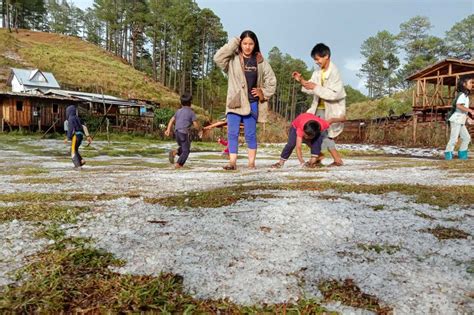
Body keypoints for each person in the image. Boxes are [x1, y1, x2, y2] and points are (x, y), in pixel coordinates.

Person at [214, 30, 277, 170]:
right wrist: (234, 42)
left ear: (255, 45)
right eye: (244, 43)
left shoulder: (260, 61)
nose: (248, 47)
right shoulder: (232, 59)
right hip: (235, 102)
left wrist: (263, 92)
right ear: (240, 43)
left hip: (252, 103)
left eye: (251, 43)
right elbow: (217, 58)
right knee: (232, 133)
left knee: (250, 134)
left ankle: (251, 163)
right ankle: (232, 162)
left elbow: (272, 81)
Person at [292, 43, 346, 166]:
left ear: (326, 56)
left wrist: (316, 87)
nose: (316, 62)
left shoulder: (334, 72)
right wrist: (301, 80)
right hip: (317, 108)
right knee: (310, 132)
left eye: (318, 59)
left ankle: (335, 159)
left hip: (331, 108)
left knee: (324, 134)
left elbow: (334, 94)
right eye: (315, 60)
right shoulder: (318, 72)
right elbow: (310, 86)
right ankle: (319, 155)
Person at [165, 93, 201, 168]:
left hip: (177, 133)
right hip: (184, 133)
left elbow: (171, 120)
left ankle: (174, 152)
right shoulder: (191, 112)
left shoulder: (178, 111)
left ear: (181, 103)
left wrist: (168, 129)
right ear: (190, 103)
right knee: (186, 151)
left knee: (185, 147)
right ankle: (178, 164)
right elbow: (195, 125)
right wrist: (199, 129)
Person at [444, 75, 473, 160]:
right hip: (456, 120)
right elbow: (459, 106)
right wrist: (471, 111)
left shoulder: (465, 96)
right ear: (464, 84)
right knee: (454, 139)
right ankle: (448, 156)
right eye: (470, 83)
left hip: (461, 120)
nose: (472, 84)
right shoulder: (462, 95)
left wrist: (468, 118)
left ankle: (462, 156)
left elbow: (462, 110)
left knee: (466, 138)